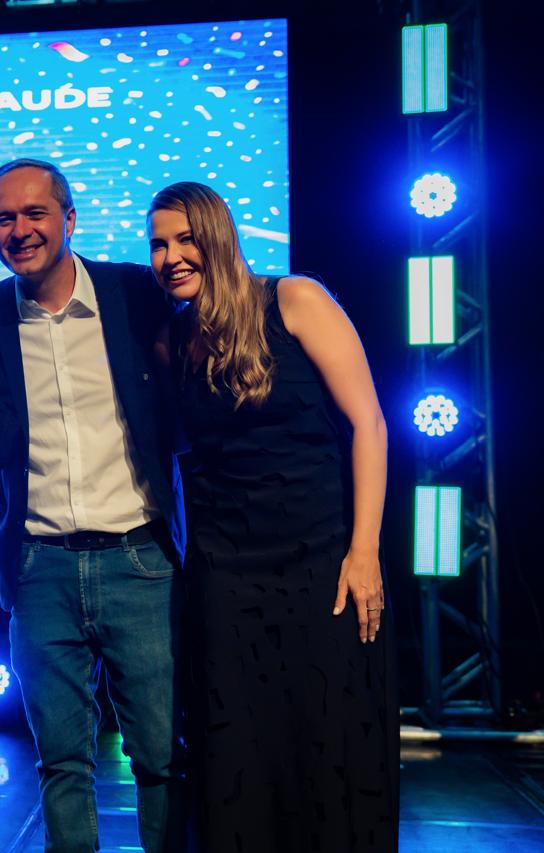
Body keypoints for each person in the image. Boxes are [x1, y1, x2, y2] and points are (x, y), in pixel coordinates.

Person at [147, 181, 398, 851]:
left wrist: (364, 550)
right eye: (158, 245)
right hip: (226, 578)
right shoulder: (173, 340)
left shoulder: (295, 299)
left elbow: (369, 423)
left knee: (330, 749)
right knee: (238, 761)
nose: (170, 256)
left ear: (217, 236)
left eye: (183, 238)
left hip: (324, 568)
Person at [0, 159, 187, 853]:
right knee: (61, 761)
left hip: (139, 559)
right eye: (4, 218)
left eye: (34, 214)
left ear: (68, 219)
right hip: (39, 568)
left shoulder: (134, 293)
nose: (19, 230)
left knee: (160, 756)